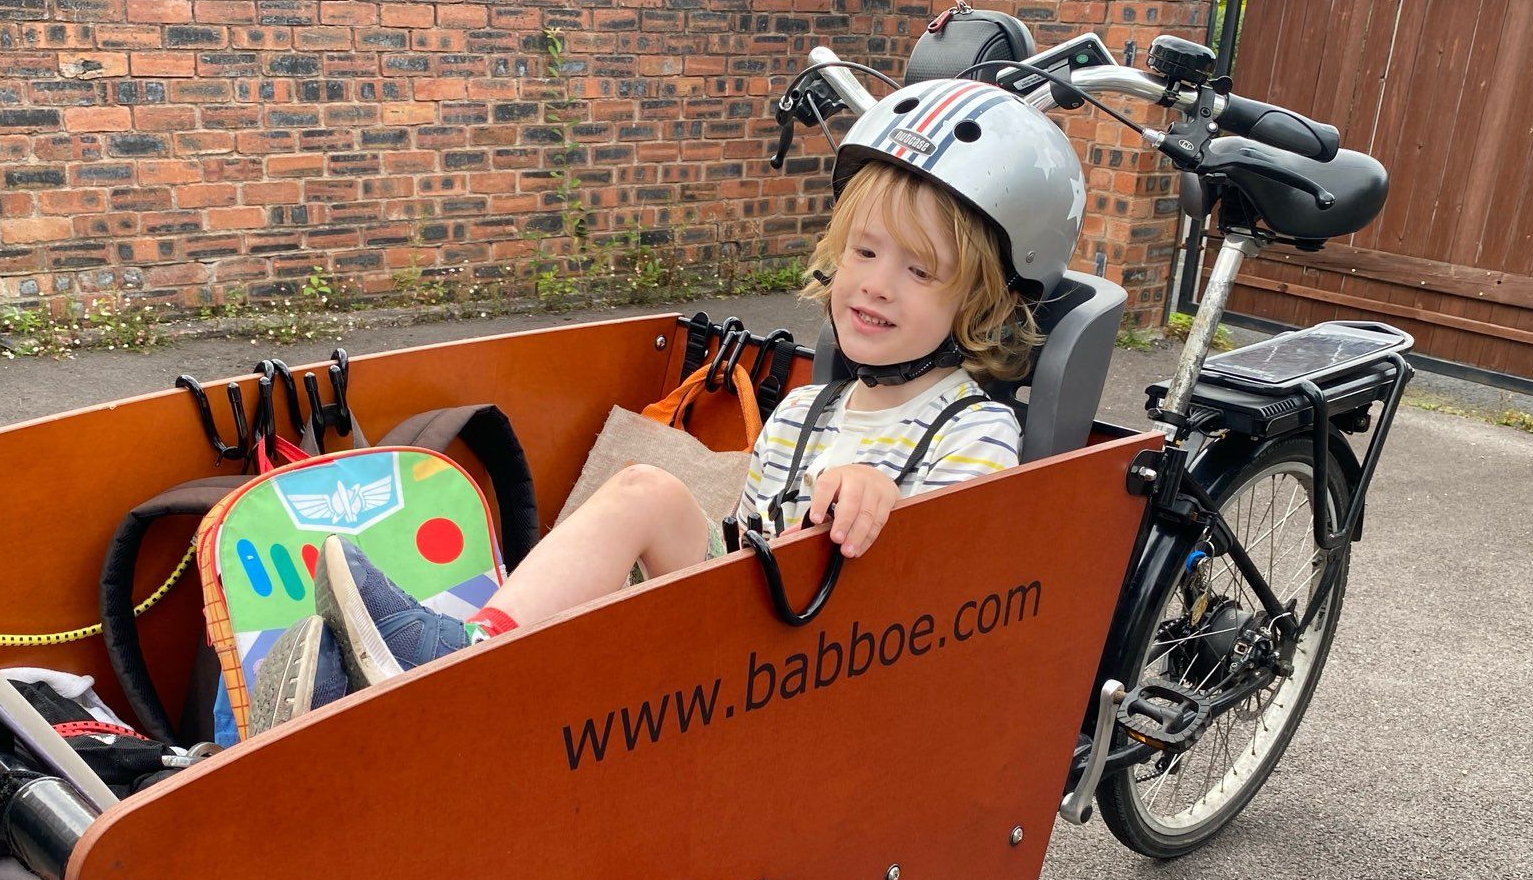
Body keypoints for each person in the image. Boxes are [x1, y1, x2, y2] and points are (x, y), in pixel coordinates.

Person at [268, 77, 1086, 720]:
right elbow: (744, 548)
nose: (874, 285)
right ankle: (459, 652)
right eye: (864, 252)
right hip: (756, 638)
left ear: (977, 303)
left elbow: (968, 580)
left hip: (848, 673)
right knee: (645, 491)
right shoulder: (806, 410)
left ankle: (445, 673)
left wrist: (889, 502)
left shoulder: (972, 426)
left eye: (917, 270)